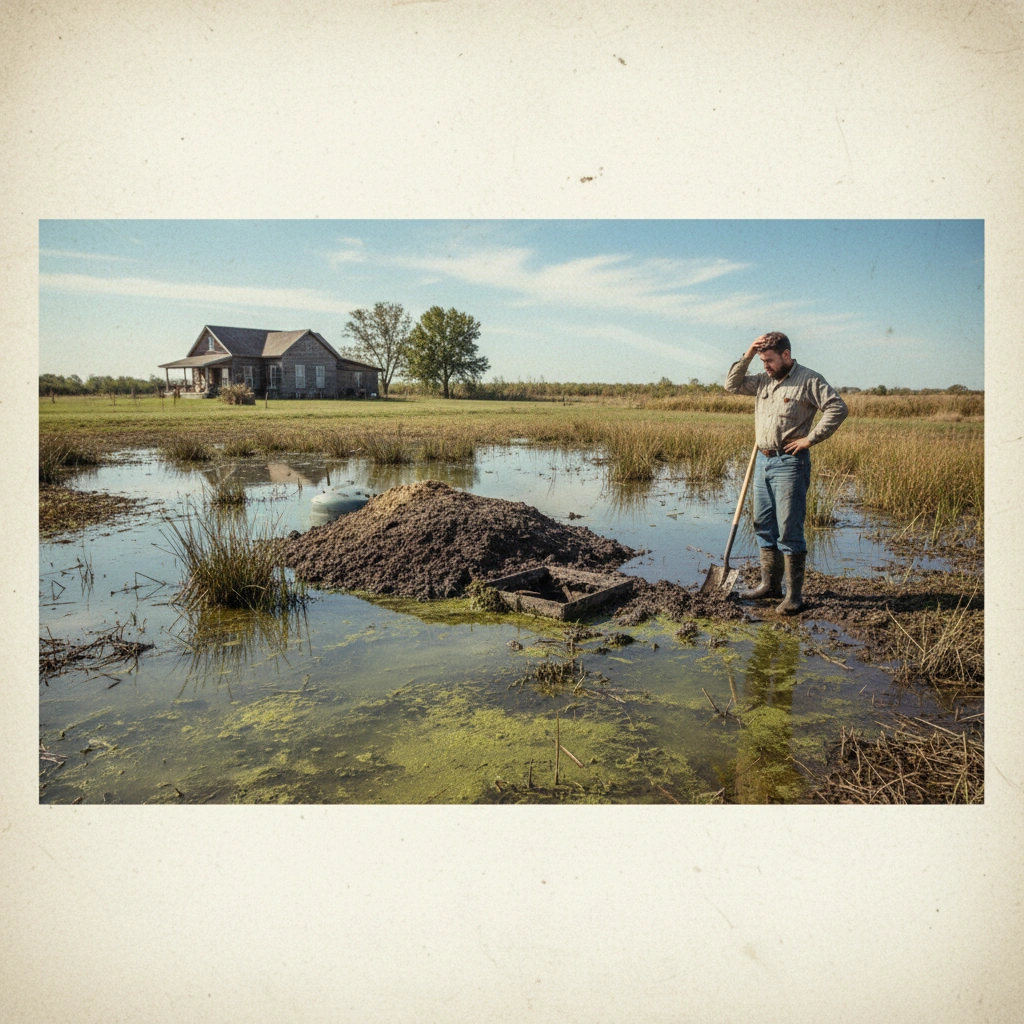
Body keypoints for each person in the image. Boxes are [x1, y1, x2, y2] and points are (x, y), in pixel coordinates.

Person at [725, 332, 848, 614]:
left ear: (786, 355)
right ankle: (770, 586)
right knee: (763, 525)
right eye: (761, 361)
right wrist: (748, 354)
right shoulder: (763, 380)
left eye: (768, 360)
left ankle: (794, 597)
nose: (765, 366)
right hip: (763, 461)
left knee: (789, 529)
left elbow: (837, 407)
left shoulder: (809, 379)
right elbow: (731, 386)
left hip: (790, 463)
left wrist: (810, 439)